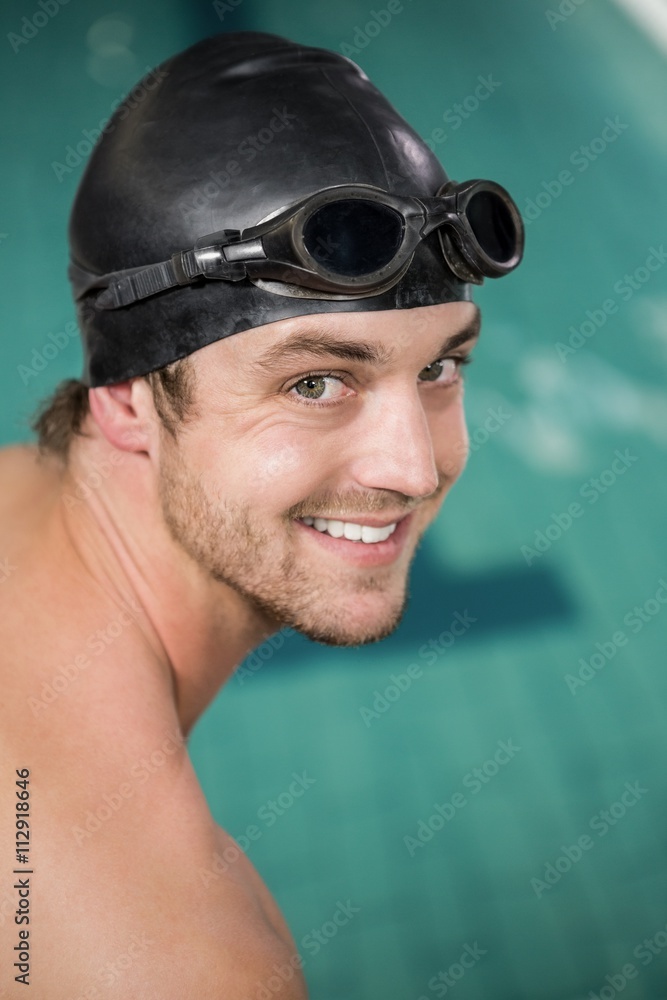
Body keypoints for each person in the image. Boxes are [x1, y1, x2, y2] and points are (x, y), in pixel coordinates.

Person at [0, 31, 523, 999]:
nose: (413, 467)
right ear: (125, 402)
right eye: (316, 381)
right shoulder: (186, 965)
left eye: (441, 367)